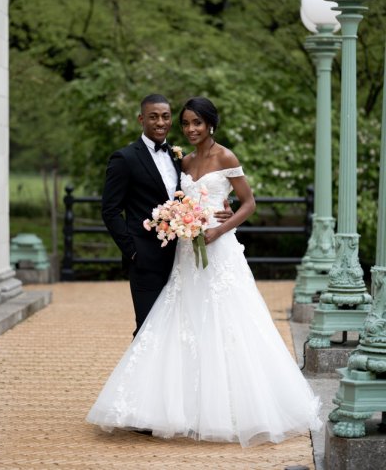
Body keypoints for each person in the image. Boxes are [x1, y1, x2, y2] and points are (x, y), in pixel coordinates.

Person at [88, 96, 321, 447]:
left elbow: (249, 202)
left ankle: (229, 407)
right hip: (180, 252)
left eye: (194, 122)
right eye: (185, 123)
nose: (189, 128)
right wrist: (140, 246)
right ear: (143, 119)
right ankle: (163, 407)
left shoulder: (220, 156)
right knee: (173, 325)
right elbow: (138, 206)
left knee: (227, 324)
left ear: (211, 123)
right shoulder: (180, 160)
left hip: (218, 249)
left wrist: (219, 227)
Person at [101, 93, 232, 337]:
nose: (160, 123)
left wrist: (222, 206)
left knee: (178, 334)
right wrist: (132, 250)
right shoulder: (124, 158)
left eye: (165, 117)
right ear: (141, 119)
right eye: (153, 117)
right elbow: (109, 211)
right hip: (145, 261)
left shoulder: (177, 156)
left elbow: (192, 194)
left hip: (181, 258)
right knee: (148, 332)